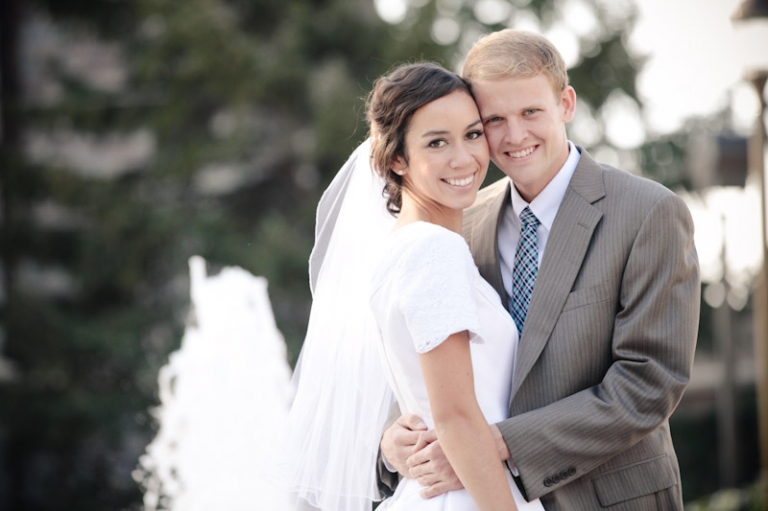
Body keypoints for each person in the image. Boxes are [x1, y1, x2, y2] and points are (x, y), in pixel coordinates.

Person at [379, 29, 700, 511]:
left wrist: (492, 446)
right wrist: (392, 445)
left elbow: (648, 383)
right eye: (493, 120)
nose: (514, 136)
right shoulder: (459, 225)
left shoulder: (648, 212)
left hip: (611, 499)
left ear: (566, 103)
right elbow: (431, 371)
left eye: (530, 112)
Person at [277, 62, 543, 510]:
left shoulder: (400, 247)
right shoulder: (433, 251)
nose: (464, 158)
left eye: (473, 134)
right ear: (396, 158)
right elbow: (456, 417)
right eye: (437, 142)